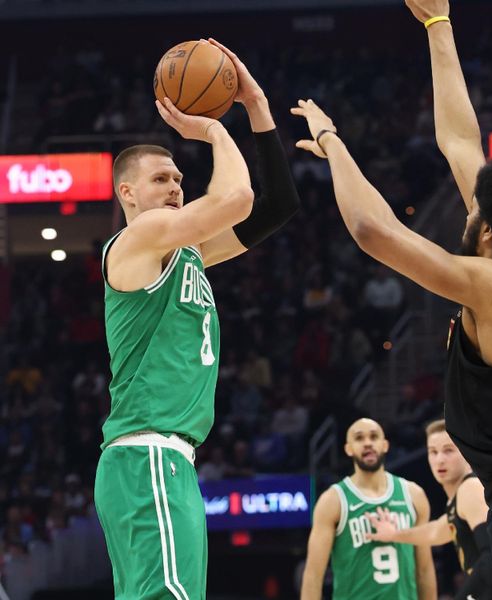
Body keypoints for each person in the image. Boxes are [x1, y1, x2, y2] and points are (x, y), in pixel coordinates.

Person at [290, 0, 492, 596]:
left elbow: (375, 233)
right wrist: (438, 24)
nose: (470, 203)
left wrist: (333, 143)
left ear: (488, 228)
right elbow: (461, 141)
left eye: (477, 206)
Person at [94, 38, 299, 600]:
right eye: (163, 179)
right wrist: (211, 129)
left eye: (180, 181)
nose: (177, 187)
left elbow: (277, 206)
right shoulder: (138, 241)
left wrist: (255, 105)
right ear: (127, 193)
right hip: (147, 455)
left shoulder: (188, 251)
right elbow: (235, 198)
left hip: (164, 460)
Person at [300, 418, 436, 599]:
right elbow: (313, 575)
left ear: (385, 445)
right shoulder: (333, 500)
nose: (368, 443)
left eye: (374, 437)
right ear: (348, 449)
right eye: (359, 438)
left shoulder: (413, 494)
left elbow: (424, 570)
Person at [368, 419, 492, 599]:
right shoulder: (458, 499)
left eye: (448, 450)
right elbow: (435, 531)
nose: (439, 459)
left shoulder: (470, 489)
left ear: (466, 453)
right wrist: (394, 534)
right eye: (433, 452)